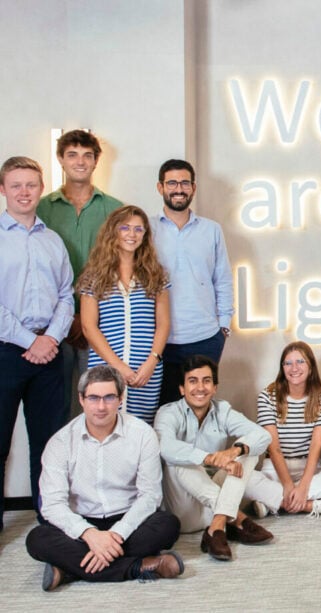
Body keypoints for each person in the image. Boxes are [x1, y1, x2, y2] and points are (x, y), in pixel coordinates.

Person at [24, 366, 182, 590]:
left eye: (109, 397)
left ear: (120, 398)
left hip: (128, 520)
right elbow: (51, 505)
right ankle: (140, 566)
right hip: (82, 522)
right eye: (93, 398)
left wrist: (116, 534)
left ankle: (70, 568)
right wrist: (89, 534)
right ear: (81, 399)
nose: (101, 406)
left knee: (168, 525)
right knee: (37, 539)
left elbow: (149, 496)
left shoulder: (142, 434)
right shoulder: (60, 442)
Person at [0, 156, 74, 528]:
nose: (24, 192)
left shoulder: (52, 240)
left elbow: (66, 295)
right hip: (5, 352)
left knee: (49, 445)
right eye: (16, 185)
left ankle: (52, 522)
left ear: (41, 189)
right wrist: (31, 340)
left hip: (49, 354)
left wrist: (50, 338)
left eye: (31, 184)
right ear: (3, 190)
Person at [154, 356, 279, 561]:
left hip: (211, 509)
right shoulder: (168, 413)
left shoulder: (223, 410)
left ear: (214, 388)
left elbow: (263, 436)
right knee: (181, 459)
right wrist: (210, 458)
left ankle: (217, 527)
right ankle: (237, 518)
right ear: (182, 389)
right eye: (192, 381)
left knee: (248, 452)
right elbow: (166, 447)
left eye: (206, 381)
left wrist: (235, 451)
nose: (200, 387)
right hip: (184, 512)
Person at [36, 130, 123, 417]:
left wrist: (87, 318)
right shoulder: (40, 209)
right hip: (50, 325)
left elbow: (120, 265)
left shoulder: (114, 210)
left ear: (97, 161)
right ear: (60, 159)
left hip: (100, 324)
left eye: (87, 155)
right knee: (54, 406)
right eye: (72, 154)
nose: (80, 162)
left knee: (101, 403)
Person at [78, 206, 170, 424]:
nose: (132, 234)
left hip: (145, 371)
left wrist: (152, 362)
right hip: (106, 367)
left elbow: (163, 324)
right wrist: (119, 367)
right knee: (103, 424)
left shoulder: (156, 275)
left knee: (142, 429)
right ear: (113, 232)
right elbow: (89, 328)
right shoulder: (94, 276)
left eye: (139, 229)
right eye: (125, 228)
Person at [152, 159, 234, 405]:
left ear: (193, 188)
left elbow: (223, 279)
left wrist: (224, 327)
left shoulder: (211, 230)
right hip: (159, 340)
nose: (179, 189)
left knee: (200, 409)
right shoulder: (145, 228)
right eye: (172, 183)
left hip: (205, 337)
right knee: (162, 412)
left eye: (185, 183)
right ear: (160, 187)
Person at [256, 341, 321, 518]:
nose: (294, 368)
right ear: (282, 368)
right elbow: (273, 448)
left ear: (311, 367)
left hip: (309, 468)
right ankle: (312, 505)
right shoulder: (267, 396)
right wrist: (288, 485)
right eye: (288, 363)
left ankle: (273, 503)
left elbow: (316, 446)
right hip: (274, 468)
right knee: (243, 478)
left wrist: (303, 486)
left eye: (300, 362)